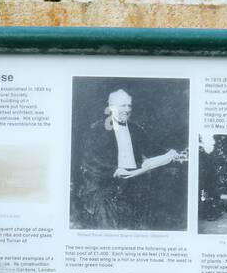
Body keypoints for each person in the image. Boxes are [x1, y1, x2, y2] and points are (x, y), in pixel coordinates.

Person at [72, 88, 186, 230]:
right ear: (111, 107)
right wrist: (114, 170)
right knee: (108, 221)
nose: (127, 109)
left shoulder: (136, 129)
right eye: (122, 106)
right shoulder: (97, 129)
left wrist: (170, 153)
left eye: (129, 105)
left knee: (154, 213)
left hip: (134, 182)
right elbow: (90, 161)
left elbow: (151, 148)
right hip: (104, 185)